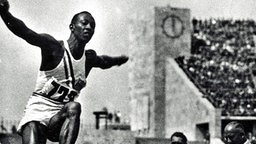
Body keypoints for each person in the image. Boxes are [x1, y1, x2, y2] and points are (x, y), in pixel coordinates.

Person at [0, 0, 129, 144]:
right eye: (85, 23)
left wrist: (120, 60)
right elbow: (27, 33)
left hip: (59, 119)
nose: (89, 28)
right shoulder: (54, 48)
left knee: (74, 106)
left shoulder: (89, 58)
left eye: (92, 26)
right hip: (37, 113)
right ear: (72, 27)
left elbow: (105, 61)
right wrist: (4, 13)